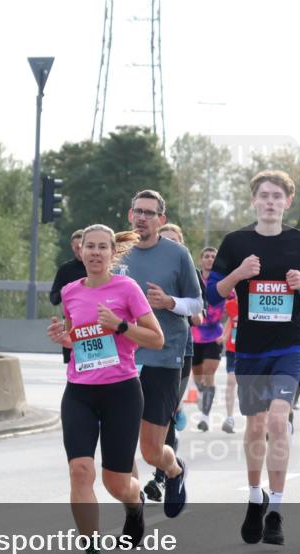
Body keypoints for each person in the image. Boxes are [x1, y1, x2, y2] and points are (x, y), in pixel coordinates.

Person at [207, 170, 300, 546]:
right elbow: (213, 293)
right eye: (264, 195)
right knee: (255, 427)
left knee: (277, 418)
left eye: (278, 196)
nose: (271, 201)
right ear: (254, 200)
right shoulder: (236, 242)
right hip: (251, 349)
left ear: (288, 202)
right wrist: (239, 274)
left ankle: (276, 510)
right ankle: (256, 496)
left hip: (289, 345)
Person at [47, 224, 164, 554]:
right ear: (80, 252)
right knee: (81, 471)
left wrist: (121, 326)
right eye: (89, 247)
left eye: (102, 247)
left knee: (117, 483)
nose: (95, 253)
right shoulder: (70, 291)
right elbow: (78, 338)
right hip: (80, 392)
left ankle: (135, 503)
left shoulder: (126, 289)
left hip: (122, 392)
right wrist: (63, 338)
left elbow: (156, 340)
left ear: (113, 253)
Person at [115, 190, 200, 519]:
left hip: (163, 356)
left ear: (161, 220)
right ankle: (133, 509)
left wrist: (170, 303)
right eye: (138, 211)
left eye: (150, 213)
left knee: (151, 450)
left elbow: (197, 304)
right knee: (121, 441)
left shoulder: (177, 255)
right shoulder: (117, 251)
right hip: (122, 358)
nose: (143, 217)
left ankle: (174, 470)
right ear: (129, 214)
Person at [141, 223, 201, 503]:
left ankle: (162, 476)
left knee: (166, 418)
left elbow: (198, 310)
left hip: (178, 350)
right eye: (164, 239)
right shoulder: (136, 261)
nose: (167, 244)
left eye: (173, 240)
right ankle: (137, 499)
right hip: (138, 353)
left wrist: (170, 302)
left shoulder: (184, 264)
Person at [192, 246, 224, 431]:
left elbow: (233, 304)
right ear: (201, 260)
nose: (210, 259)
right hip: (195, 334)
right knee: (198, 378)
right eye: (207, 256)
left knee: (209, 373)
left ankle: (204, 416)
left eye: (213, 256)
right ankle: (202, 391)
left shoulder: (222, 281)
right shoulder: (194, 279)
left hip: (214, 334)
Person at [50, 229, 88, 364]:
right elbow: (53, 298)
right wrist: (64, 292)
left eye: (82, 246)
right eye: (76, 247)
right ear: (72, 247)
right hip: (70, 323)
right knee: (73, 365)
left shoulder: (97, 268)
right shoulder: (65, 270)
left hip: (93, 323)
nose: (79, 250)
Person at [220, 292, 239, 433]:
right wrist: (225, 335)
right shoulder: (231, 304)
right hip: (232, 350)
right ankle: (230, 417)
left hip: (250, 351)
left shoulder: (254, 303)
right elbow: (230, 321)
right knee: (231, 382)